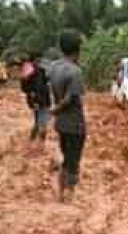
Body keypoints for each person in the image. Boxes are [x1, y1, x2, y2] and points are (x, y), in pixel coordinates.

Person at [49, 30, 87, 203]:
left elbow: (53, 91)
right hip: (74, 123)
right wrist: (56, 108)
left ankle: (61, 190)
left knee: (66, 155)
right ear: (77, 48)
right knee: (73, 158)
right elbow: (71, 99)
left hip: (61, 124)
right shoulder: (75, 71)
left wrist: (54, 109)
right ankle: (69, 193)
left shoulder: (54, 67)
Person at [20, 51, 52, 152]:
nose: (40, 61)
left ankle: (32, 143)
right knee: (42, 124)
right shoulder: (30, 71)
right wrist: (34, 98)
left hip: (42, 100)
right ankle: (39, 146)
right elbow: (25, 88)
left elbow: (46, 81)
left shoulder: (39, 71)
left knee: (38, 123)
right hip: (39, 101)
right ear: (34, 60)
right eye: (38, 59)